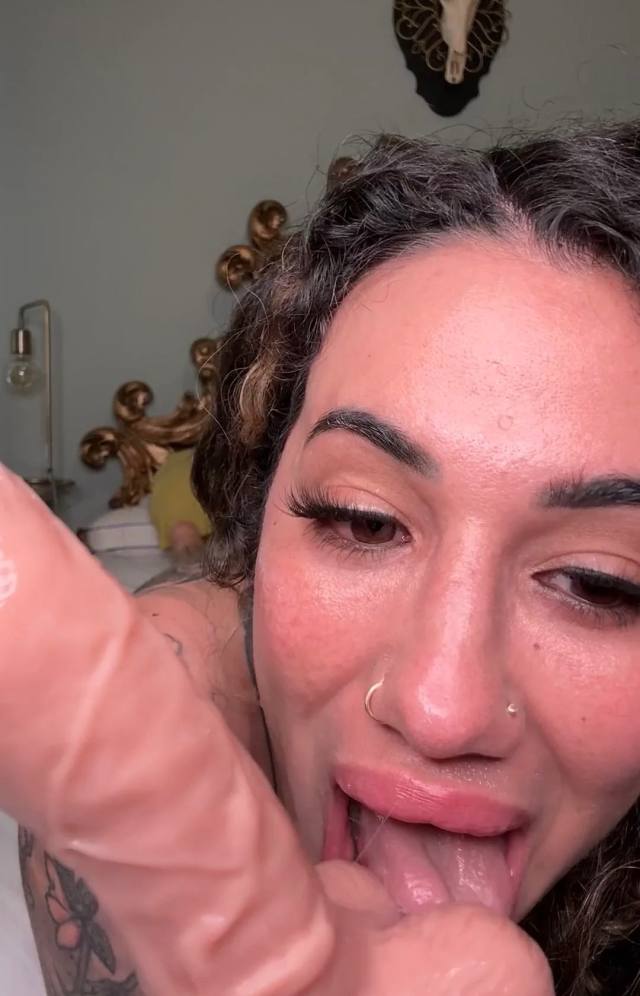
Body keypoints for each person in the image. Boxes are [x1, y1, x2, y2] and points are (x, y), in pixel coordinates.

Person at [11, 119, 640, 995]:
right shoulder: (155, 723)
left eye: (598, 583)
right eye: (363, 522)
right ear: (259, 514)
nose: (441, 711)